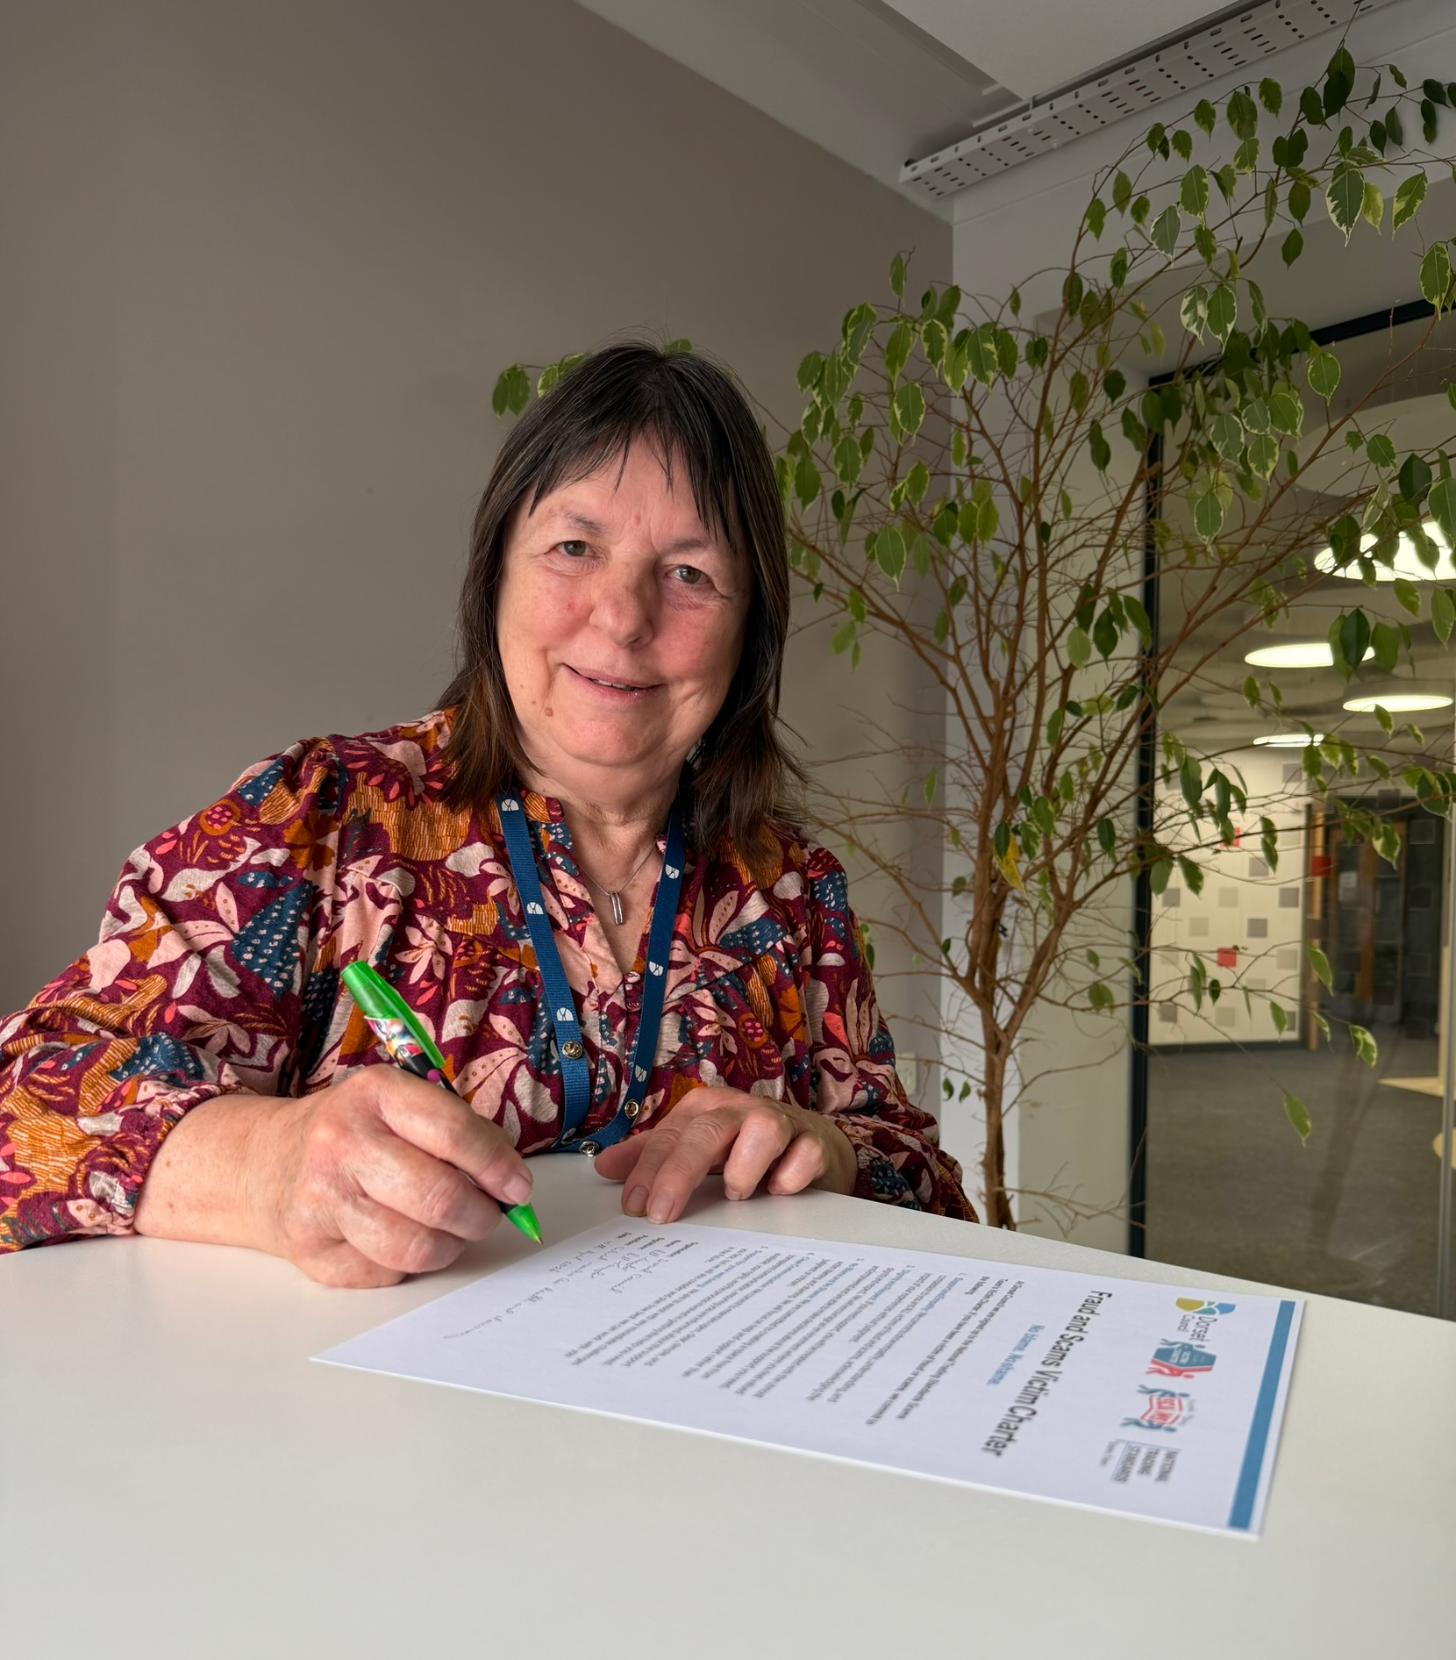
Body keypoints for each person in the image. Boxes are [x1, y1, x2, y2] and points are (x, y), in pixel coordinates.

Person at [0, 341, 976, 1286]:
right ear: (495, 572)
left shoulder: (792, 886)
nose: (622, 616)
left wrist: (832, 1151)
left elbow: (931, 1191)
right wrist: (268, 1161)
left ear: (747, 629)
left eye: (689, 573)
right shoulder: (320, 816)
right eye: (573, 547)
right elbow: (25, 1101)